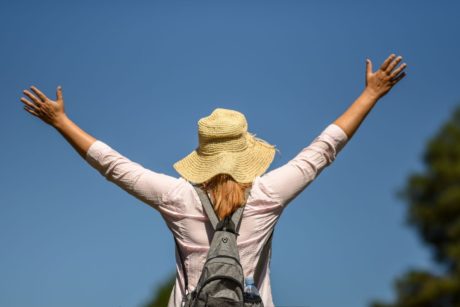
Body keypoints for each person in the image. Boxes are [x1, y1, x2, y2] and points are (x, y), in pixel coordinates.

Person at [19, 54, 407, 306]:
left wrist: (60, 122)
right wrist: (371, 93)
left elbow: (114, 166)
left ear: (202, 155)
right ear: (247, 151)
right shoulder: (268, 193)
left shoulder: (176, 196)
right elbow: (324, 149)